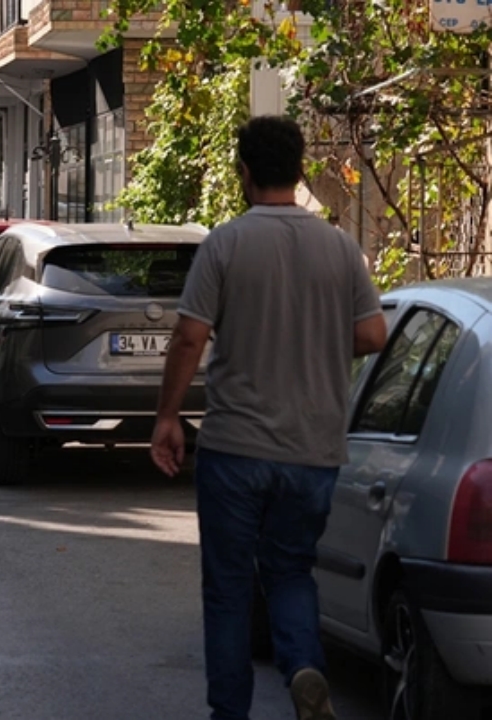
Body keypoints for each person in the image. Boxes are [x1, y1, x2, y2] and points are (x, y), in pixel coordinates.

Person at [150, 116, 387, 720]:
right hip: (313, 452)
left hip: (236, 448)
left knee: (229, 588)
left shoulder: (225, 243)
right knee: (290, 572)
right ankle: (304, 666)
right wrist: (315, 343)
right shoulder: (340, 247)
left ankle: (230, 712)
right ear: (301, 170)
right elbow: (372, 333)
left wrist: (168, 417)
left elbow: (187, 339)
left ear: (244, 172)